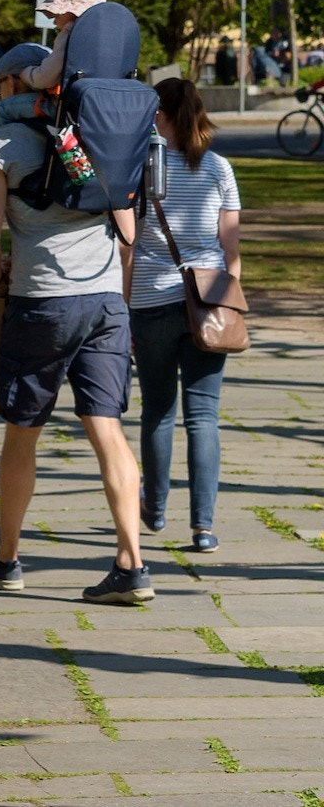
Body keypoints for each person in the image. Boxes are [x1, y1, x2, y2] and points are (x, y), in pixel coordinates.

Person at [0, 41, 151, 605]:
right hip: (104, 302)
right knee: (107, 428)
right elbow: (128, 228)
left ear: (9, 87)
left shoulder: (1, 143)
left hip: (43, 300)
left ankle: (6, 558)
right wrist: (117, 297)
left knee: (23, 431)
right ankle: (131, 564)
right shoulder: (98, 138)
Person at [127, 76, 241, 553]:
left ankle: (153, 509)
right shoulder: (219, 169)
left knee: (157, 410)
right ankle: (204, 526)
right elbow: (231, 251)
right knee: (204, 416)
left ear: (162, 116)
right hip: (209, 302)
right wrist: (231, 301)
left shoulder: (142, 172)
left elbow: (128, 248)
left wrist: (123, 305)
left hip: (152, 301)